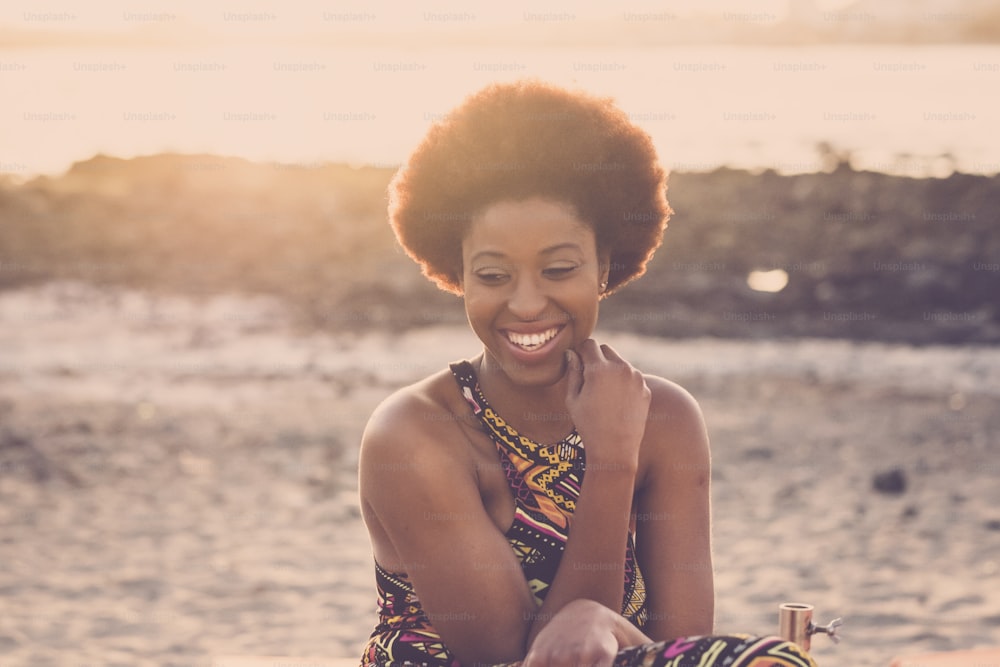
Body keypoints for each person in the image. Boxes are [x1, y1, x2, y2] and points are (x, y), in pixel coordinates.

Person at [358, 80, 816, 667]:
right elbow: (512, 660)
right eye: (494, 276)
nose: (525, 304)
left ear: (605, 265)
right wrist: (610, 462)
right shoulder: (416, 434)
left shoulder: (665, 419)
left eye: (559, 268)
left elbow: (681, 650)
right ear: (459, 275)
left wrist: (599, 621)